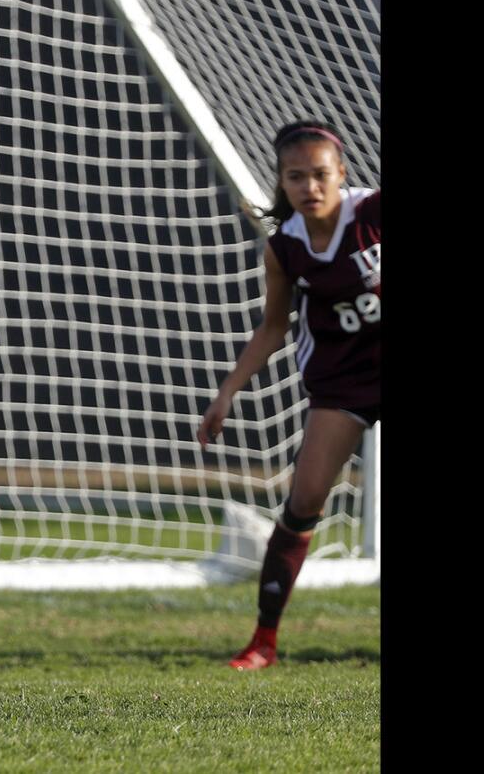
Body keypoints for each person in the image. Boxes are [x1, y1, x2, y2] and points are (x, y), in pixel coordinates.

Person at [198, 120, 379, 670]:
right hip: (342, 383)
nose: (310, 186)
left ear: (341, 173)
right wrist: (227, 392)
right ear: (282, 180)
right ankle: (263, 642)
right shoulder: (284, 248)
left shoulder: (372, 214)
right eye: (296, 176)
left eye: (320, 174)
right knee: (303, 503)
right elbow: (273, 327)